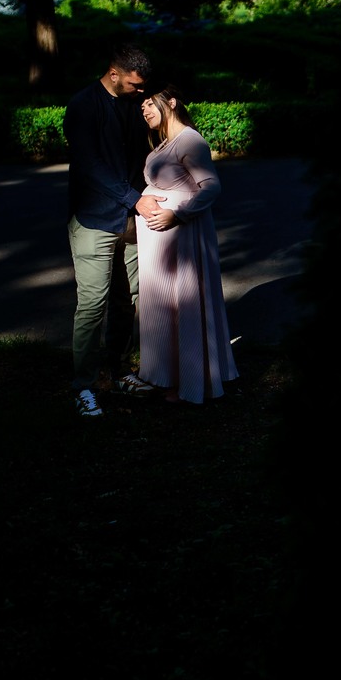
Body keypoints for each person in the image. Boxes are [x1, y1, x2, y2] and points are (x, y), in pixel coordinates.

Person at [65, 40, 166, 416]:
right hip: (94, 219)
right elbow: (90, 166)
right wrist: (135, 198)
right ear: (114, 74)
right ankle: (84, 386)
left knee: (128, 301)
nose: (141, 93)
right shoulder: (82, 106)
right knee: (92, 304)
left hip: (130, 218)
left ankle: (119, 370)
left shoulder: (131, 105)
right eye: (134, 85)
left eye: (143, 87)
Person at [121, 85, 238, 404]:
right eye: (141, 106)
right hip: (159, 245)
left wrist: (176, 214)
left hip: (181, 239)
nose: (144, 110)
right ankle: (162, 375)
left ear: (171, 102)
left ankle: (187, 381)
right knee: (160, 307)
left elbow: (211, 187)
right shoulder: (164, 143)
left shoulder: (190, 140)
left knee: (181, 305)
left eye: (149, 104)